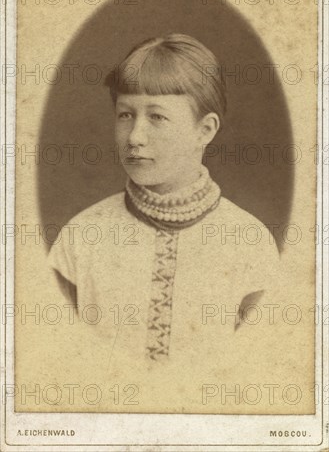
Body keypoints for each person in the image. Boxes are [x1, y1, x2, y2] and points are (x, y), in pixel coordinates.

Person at [47, 34, 284, 411]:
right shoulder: (81, 237)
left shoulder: (248, 242)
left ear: (204, 130)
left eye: (157, 117)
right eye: (126, 115)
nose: (135, 137)